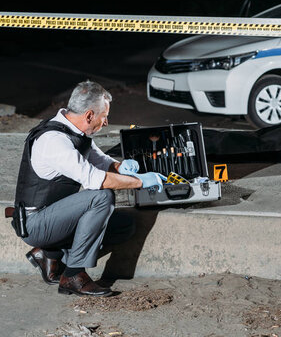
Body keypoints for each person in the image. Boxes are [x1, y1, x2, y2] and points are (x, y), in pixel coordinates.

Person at [13, 80, 166, 297]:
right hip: (36, 223)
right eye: (104, 117)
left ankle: (50, 255)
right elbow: (96, 180)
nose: (106, 122)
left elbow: (100, 160)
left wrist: (122, 167)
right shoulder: (54, 140)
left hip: (53, 216)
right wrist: (140, 182)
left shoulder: (73, 129)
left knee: (124, 226)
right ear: (89, 115)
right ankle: (73, 275)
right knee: (102, 197)